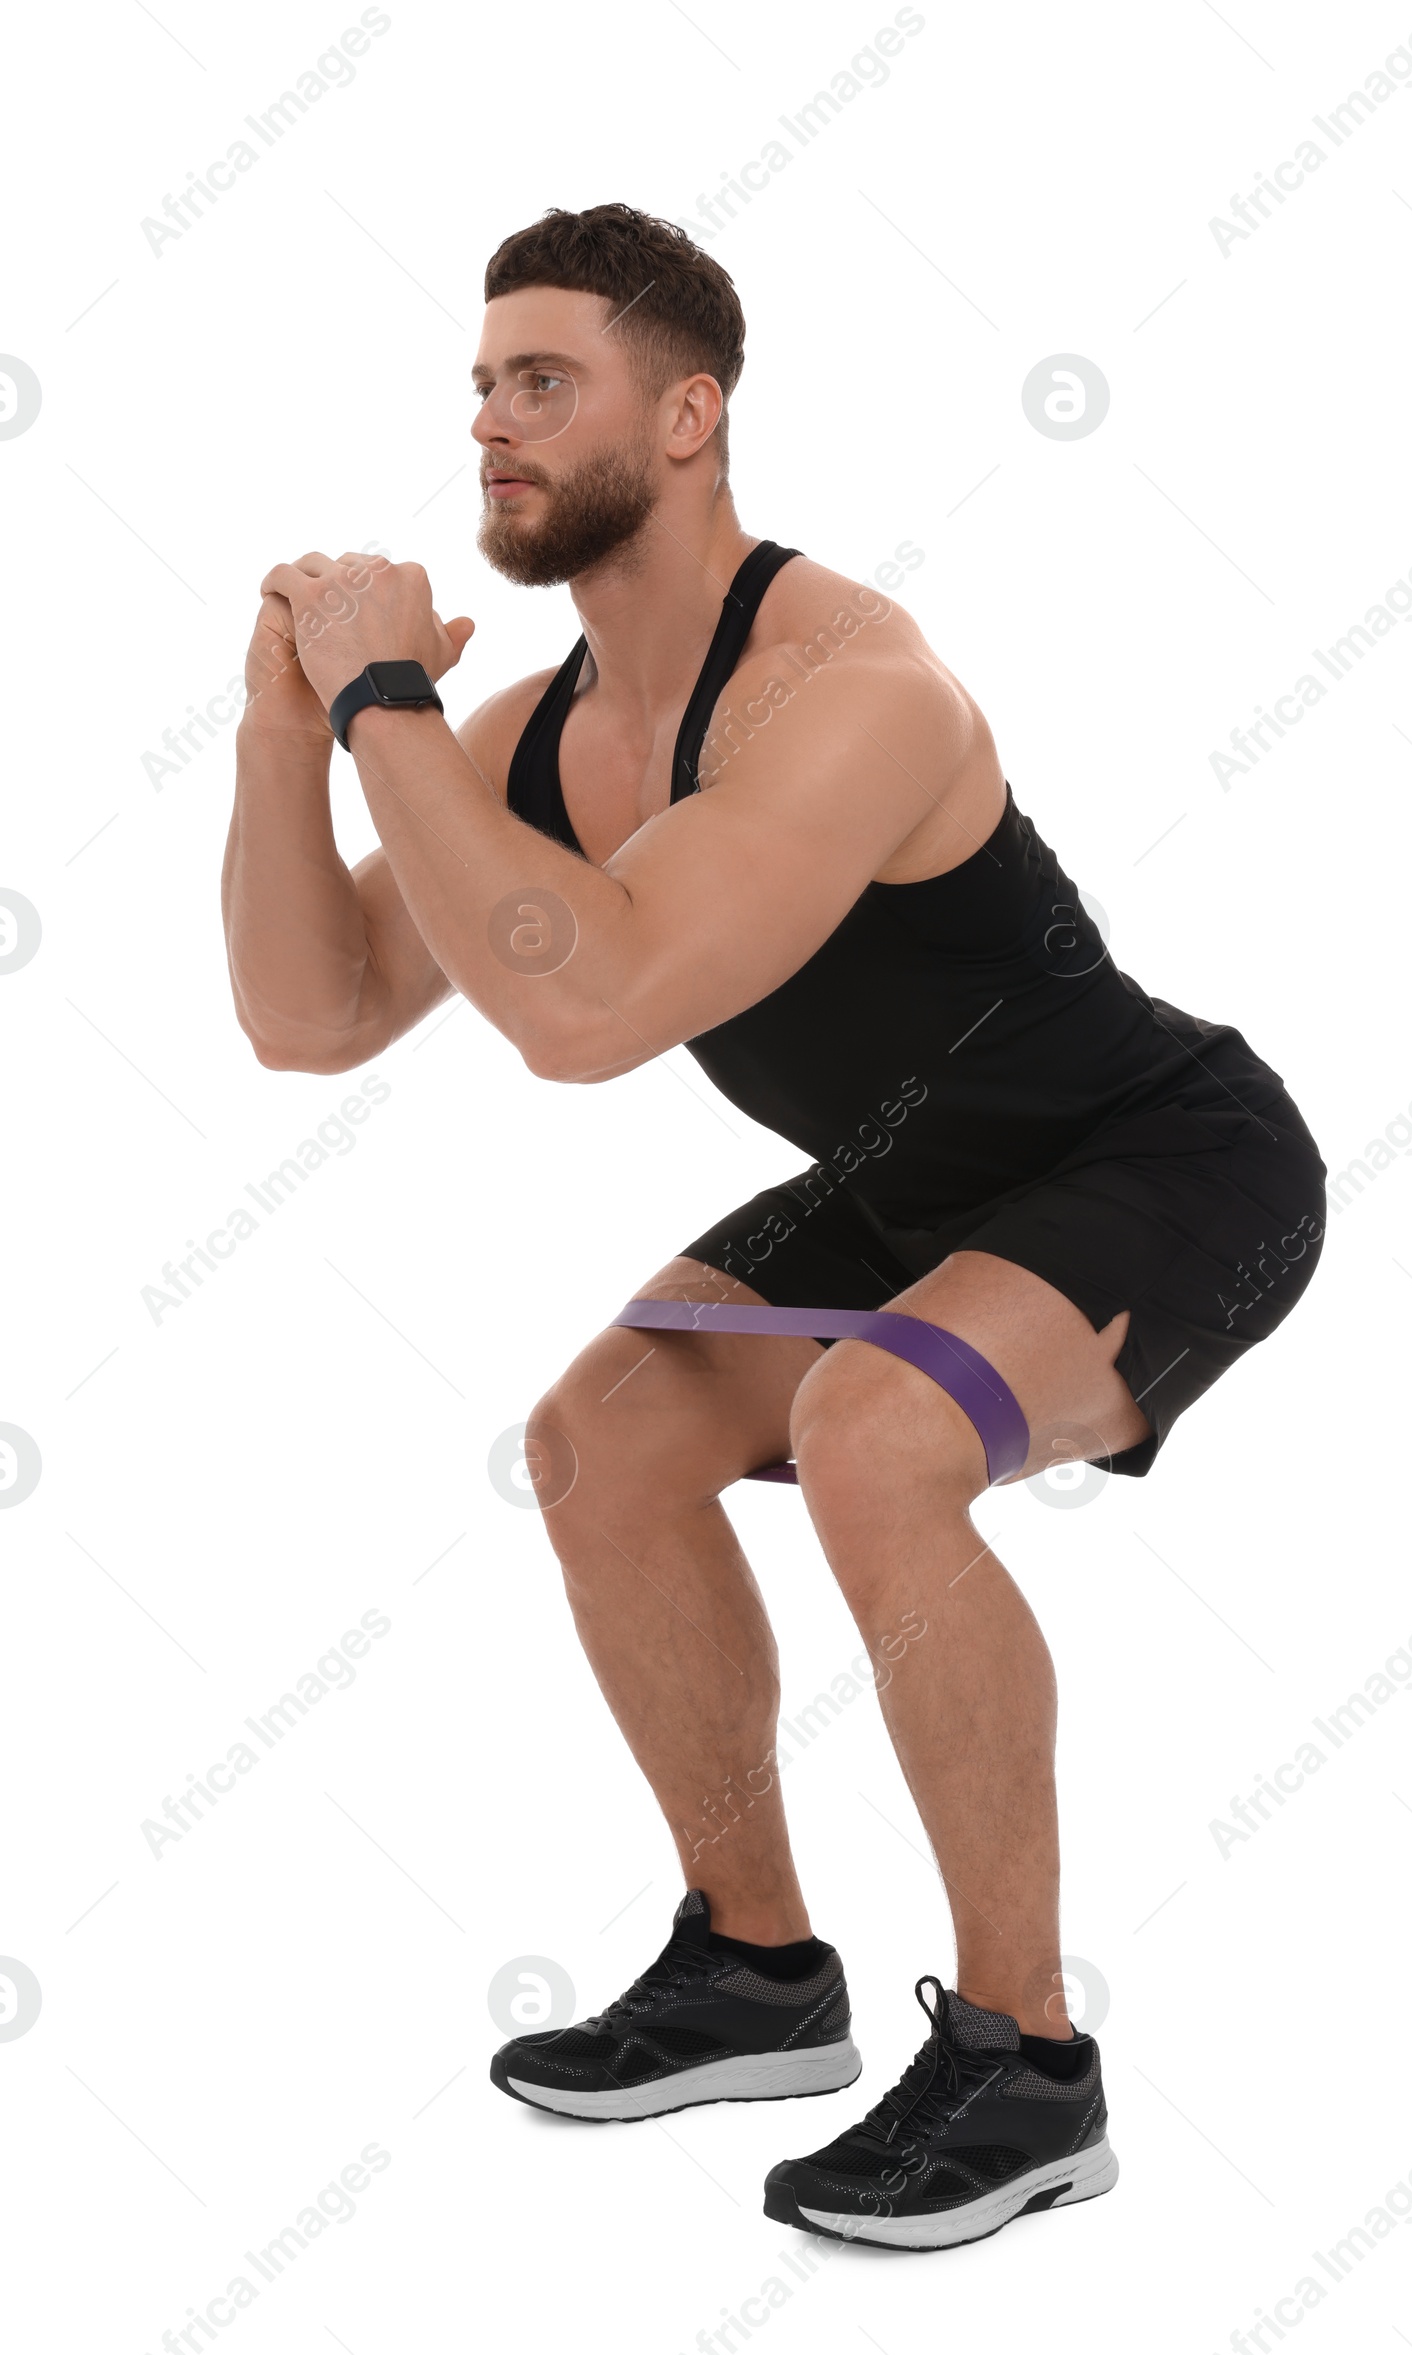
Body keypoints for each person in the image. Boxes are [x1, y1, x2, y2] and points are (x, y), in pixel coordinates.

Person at [221, 201, 1327, 2250]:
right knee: (600, 1445)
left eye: (542, 382)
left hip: (1161, 1157)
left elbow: (590, 1012)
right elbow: (315, 1015)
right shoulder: (537, 737)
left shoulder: (849, 683)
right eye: (478, 389)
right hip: (910, 1183)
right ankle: (753, 1969)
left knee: (871, 1434)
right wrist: (291, 743)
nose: (492, 426)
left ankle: (1025, 2069)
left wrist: (377, 701)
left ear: (691, 410)